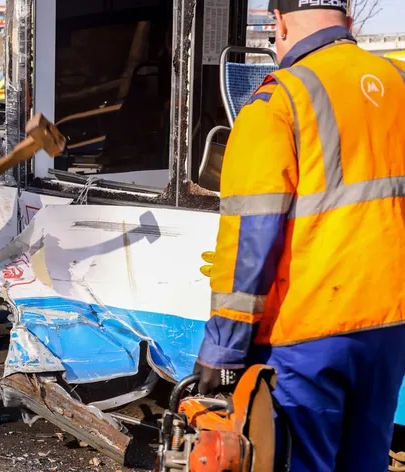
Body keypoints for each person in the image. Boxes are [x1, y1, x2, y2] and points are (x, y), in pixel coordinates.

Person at [193, 1, 405, 471]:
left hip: (307, 334)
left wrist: (223, 345)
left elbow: (251, 235)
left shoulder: (279, 100)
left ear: (279, 23)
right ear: (347, 20)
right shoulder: (398, 83)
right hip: (391, 326)